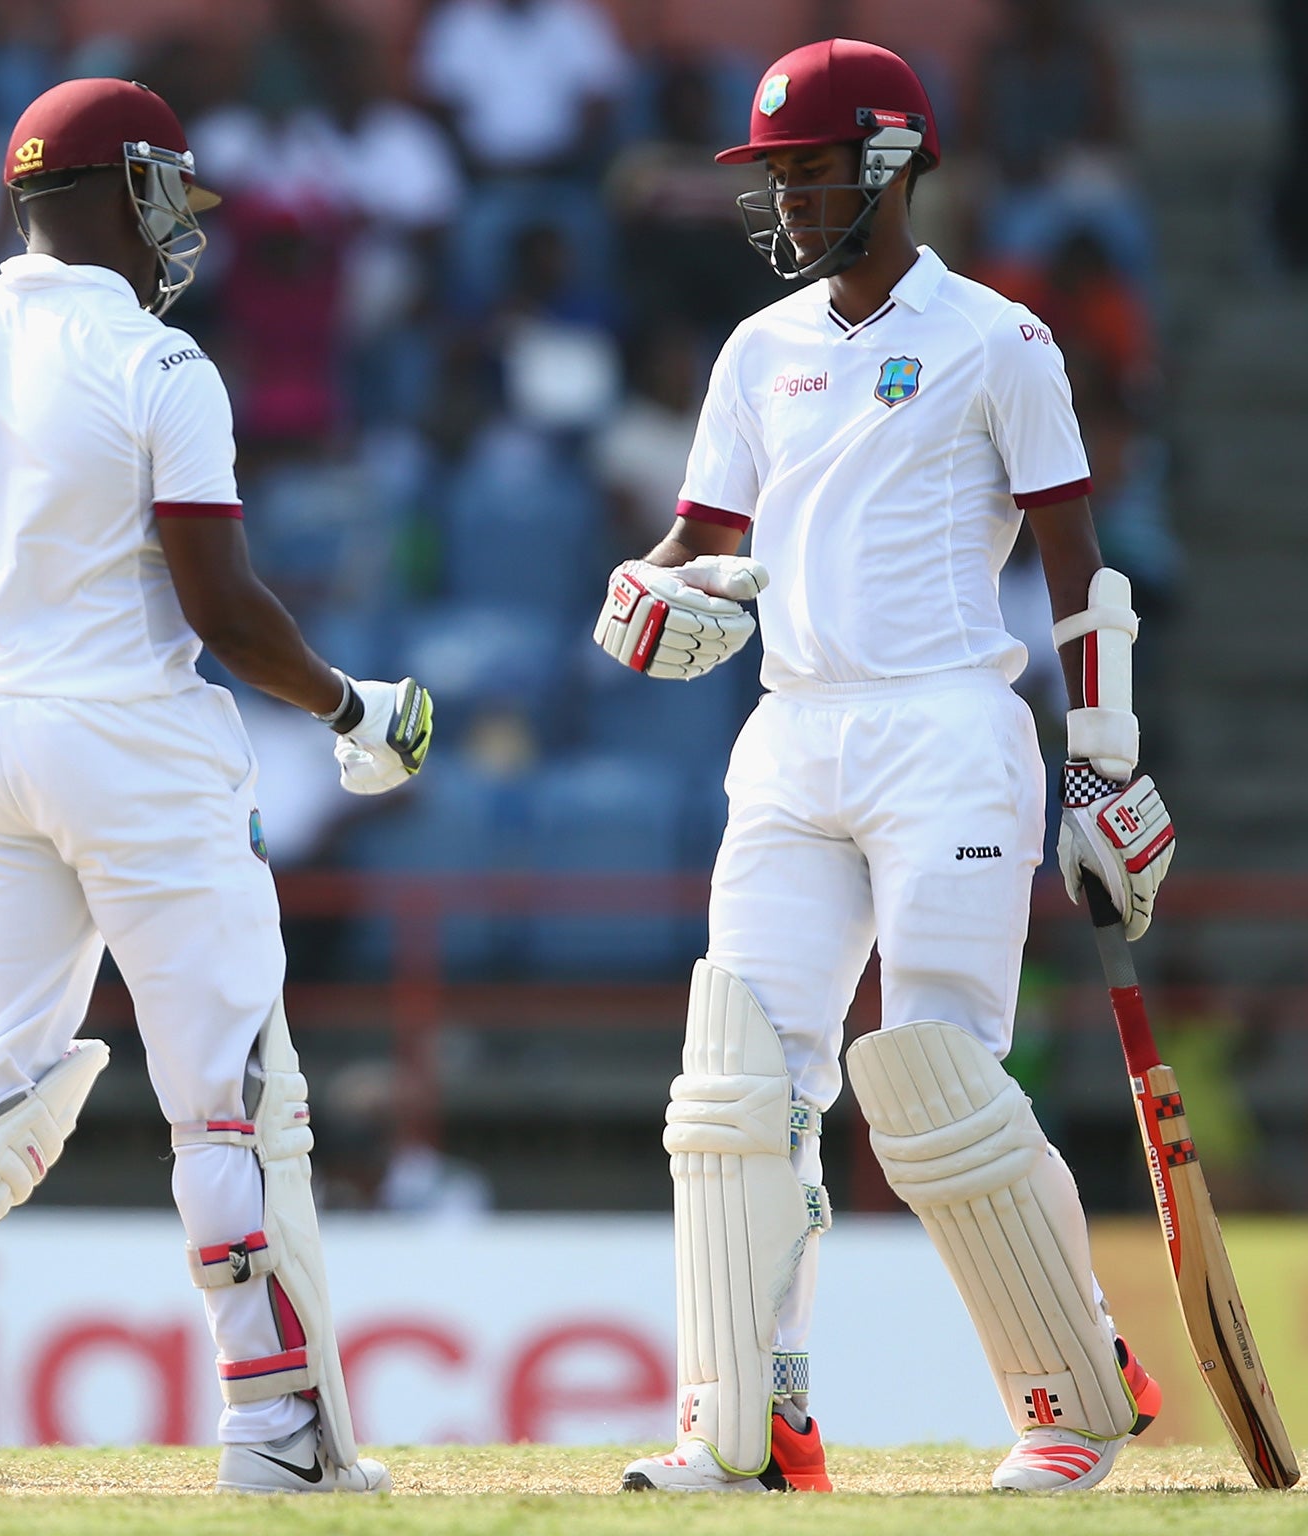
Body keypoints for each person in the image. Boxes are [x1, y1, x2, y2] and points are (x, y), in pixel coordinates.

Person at [0, 77, 427, 1498]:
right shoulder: (165, 367)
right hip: (138, 749)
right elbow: (225, 607)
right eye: (169, 194)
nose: (182, 226)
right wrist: (353, 707)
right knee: (231, 1097)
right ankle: (281, 1430)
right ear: (123, 196)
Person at [591, 40, 1176, 1496]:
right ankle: (748, 1425)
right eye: (774, 173)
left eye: (810, 170)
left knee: (936, 1076)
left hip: (949, 737)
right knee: (740, 1080)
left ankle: (1073, 1395)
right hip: (790, 733)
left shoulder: (999, 339)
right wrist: (645, 586)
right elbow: (703, 533)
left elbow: (1074, 562)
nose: (785, 199)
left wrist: (1103, 766)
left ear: (893, 165)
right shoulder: (757, 351)